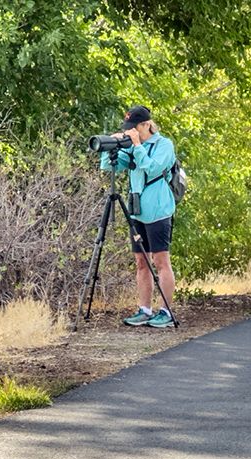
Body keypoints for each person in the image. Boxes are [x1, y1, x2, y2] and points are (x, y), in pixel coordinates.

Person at [100, 105, 176, 328]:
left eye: (134, 128)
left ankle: (166, 312)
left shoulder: (164, 145)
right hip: (138, 212)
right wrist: (111, 146)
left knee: (160, 261)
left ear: (146, 125)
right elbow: (108, 167)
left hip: (159, 211)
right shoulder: (133, 145)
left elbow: (152, 168)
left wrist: (136, 145)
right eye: (128, 129)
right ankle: (144, 310)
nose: (131, 132)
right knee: (141, 262)